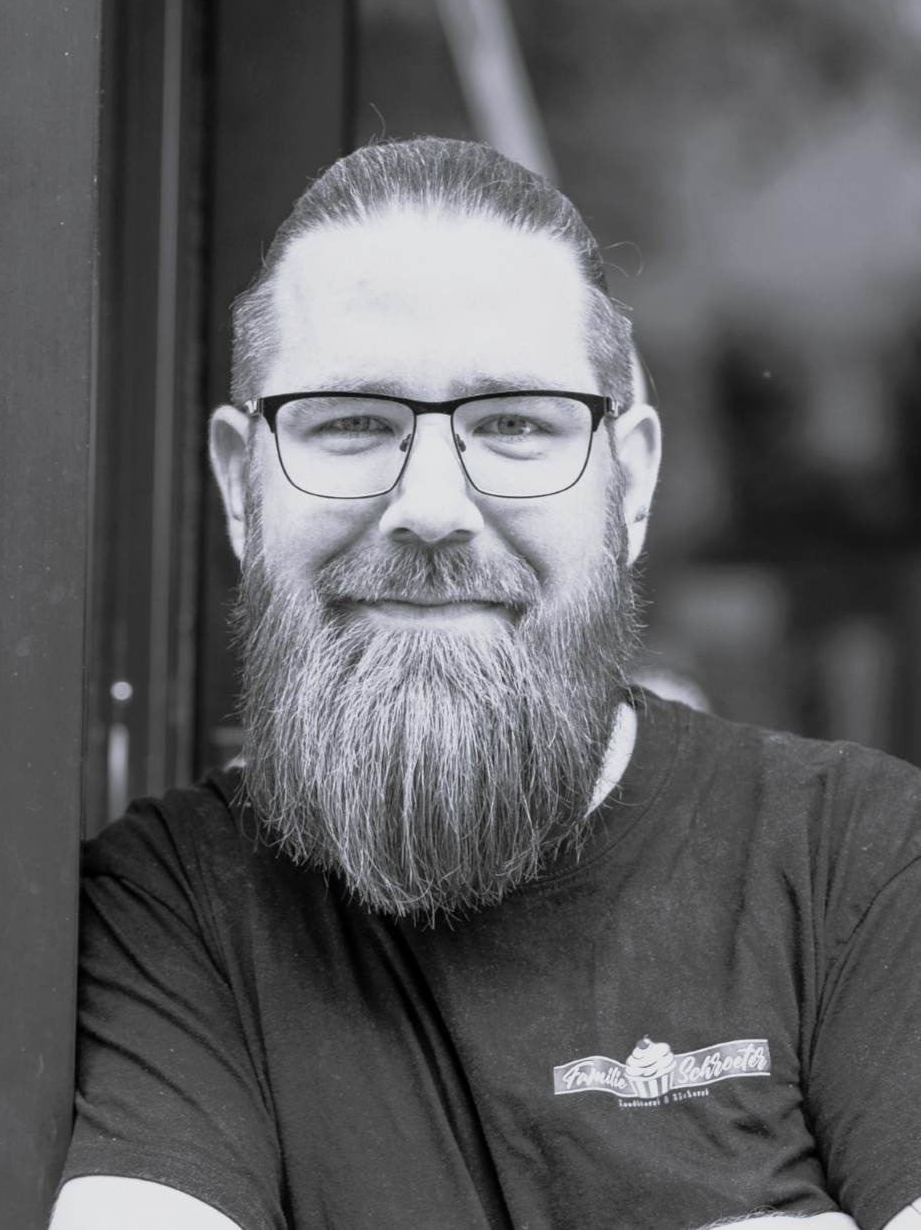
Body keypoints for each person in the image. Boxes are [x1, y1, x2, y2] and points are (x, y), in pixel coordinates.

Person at [51, 137, 921, 1230]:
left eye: (513, 423)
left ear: (631, 486)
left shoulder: (861, 862)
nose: (430, 505)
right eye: (351, 421)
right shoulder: (164, 909)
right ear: (240, 487)